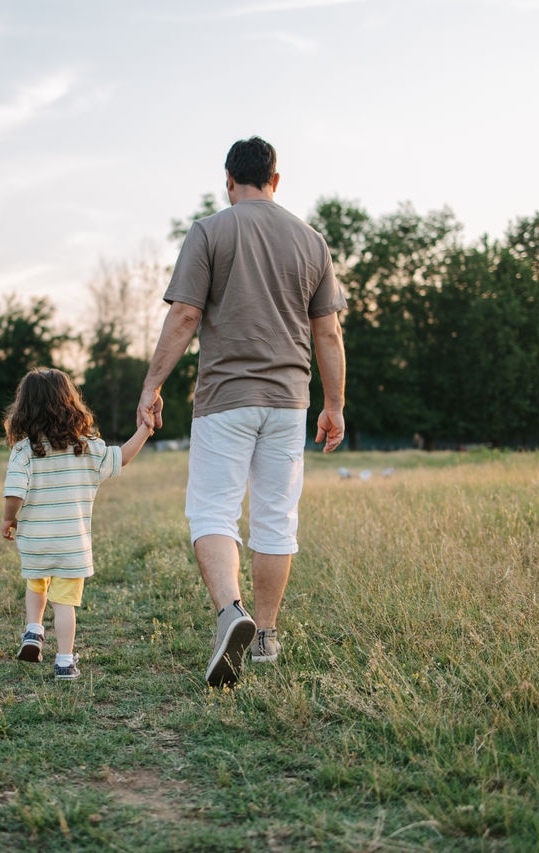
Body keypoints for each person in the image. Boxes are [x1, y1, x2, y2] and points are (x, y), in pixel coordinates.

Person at [137, 136, 346, 688]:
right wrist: (334, 404)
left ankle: (233, 614)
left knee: (212, 513)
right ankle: (268, 638)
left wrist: (153, 384)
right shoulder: (311, 241)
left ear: (229, 180)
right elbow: (327, 330)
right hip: (288, 403)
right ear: (276, 181)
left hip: (225, 399)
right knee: (277, 518)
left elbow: (184, 316)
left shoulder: (210, 230)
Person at [2, 367, 154, 680]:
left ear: (24, 408)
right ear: (70, 403)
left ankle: (33, 630)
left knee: (36, 582)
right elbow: (121, 457)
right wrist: (145, 430)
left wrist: (8, 519)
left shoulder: (24, 451)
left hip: (36, 540)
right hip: (72, 544)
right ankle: (65, 662)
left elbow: (14, 492)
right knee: (64, 604)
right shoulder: (87, 447)